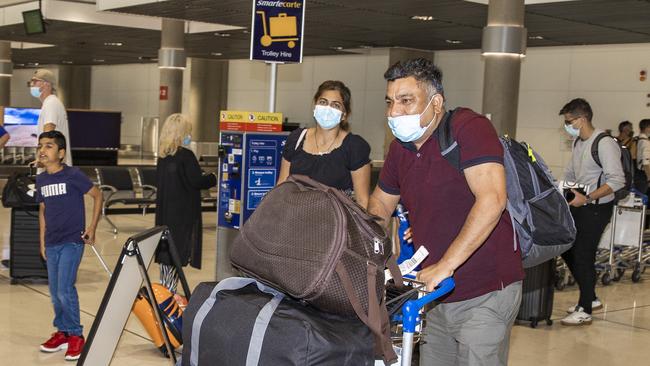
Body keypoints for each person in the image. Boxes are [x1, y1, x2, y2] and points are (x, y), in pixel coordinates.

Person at [367, 58, 524, 366]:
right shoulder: (401, 147)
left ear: (436, 102)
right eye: (390, 102)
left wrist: (446, 265)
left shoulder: (469, 128)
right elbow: (381, 204)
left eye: (406, 101)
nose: (394, 112)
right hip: (437, 293)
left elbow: (492, 199)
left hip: (486, 288)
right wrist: (366, 250)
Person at [36, 131, 102, 361]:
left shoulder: (73, 175)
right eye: (41, 146)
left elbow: (97, 196)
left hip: (72, 241)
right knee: (55, 293)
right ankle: (63, 332)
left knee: (65, 289)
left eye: (49, 146)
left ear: (61, 153)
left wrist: (92, 227)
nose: (43, 150)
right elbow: (42, 210)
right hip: (52, 242)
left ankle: (76, 335)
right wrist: (42, 240)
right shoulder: (41, 179)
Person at [560, 98, 625, 326]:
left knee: (583, 255)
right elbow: (571, 173)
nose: (567, 126)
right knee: (566, 249)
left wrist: (587, 198)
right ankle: (591, 296)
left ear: (582, 119)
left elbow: (617, 180)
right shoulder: (579, 142)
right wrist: (562, 190)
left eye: (569, 121)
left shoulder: (604, 143)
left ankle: (585, 308)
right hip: (580, 205)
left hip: (597, 208)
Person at [277, 80, 371, 208]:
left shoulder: (354, 147)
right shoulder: (296, 139)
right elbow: (281, 187)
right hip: (295, 221)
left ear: (344, 115)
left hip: (335, 225)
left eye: (336, 105)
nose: (328, 109)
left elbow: (362, 201)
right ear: (315, 106)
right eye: (323, 102)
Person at [155, 113, 217, 293]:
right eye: (188, 131)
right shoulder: (186, 156)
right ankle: (166, 302)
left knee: (167, 263)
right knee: (173, 261)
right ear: (181, 133)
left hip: (166, 215)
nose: (190, 135)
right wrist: (213, 177)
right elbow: (196, 181)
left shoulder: (163, 157)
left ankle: (166, 296)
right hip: (181, 218)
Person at [29, 69, 72, 166]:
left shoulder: (51, 103)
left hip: (54, 169)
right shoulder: (50, 103)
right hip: (55, 166)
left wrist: (41, 157)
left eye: (35, 81)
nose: (32, 85)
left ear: (47, 84)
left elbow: (48, 133)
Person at [634, 119, 650, 194]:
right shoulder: (645, 142)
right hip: (644, 175)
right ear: (647, 127)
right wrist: (649, 178)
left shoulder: (638, 139)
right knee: (643, 199)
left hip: (638, 173)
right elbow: (646, 163)